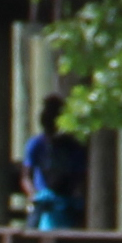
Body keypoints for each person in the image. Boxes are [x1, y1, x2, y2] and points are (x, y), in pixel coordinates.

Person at [21, 97, 86, 229]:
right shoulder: (36, 144)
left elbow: (80, 177)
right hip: (42, 200)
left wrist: (76, 197)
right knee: (33, 226)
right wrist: (34, 196)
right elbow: (26, 177)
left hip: (66, 201)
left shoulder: (73, 147)